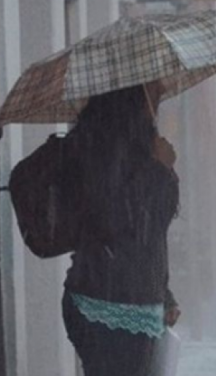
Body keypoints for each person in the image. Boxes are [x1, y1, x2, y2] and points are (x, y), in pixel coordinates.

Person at [61, 84, 180, 376]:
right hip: (118, 302)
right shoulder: (116, 159)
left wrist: (164, 294)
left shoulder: (93, 149)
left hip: (104, 295)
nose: (157, 103)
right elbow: (131, 226)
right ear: (132, 105)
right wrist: (163, 170)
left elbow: (148, 240)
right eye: (153, 95)